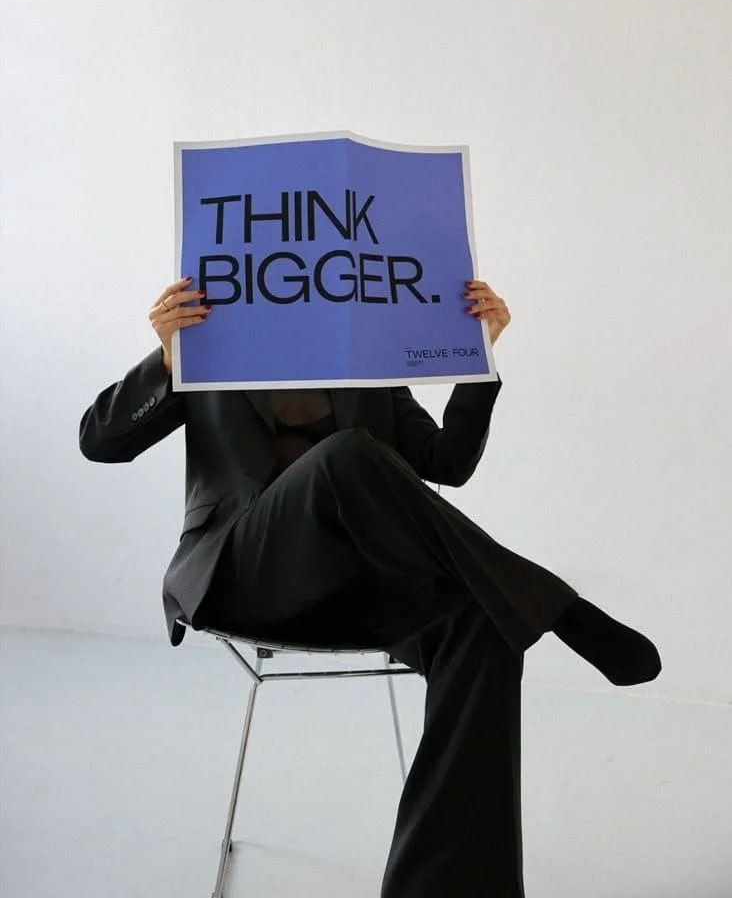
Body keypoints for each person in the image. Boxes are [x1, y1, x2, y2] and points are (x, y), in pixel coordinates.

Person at [79, 277, 661, 897]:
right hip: (243, 574)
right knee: (346, 455)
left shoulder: (371, 371)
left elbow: (448, 463)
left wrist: (480, 355)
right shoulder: (212, 354)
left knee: (483, 624)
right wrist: (169, 359)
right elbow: (100, 442)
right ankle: (554, 603)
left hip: (358, 592)